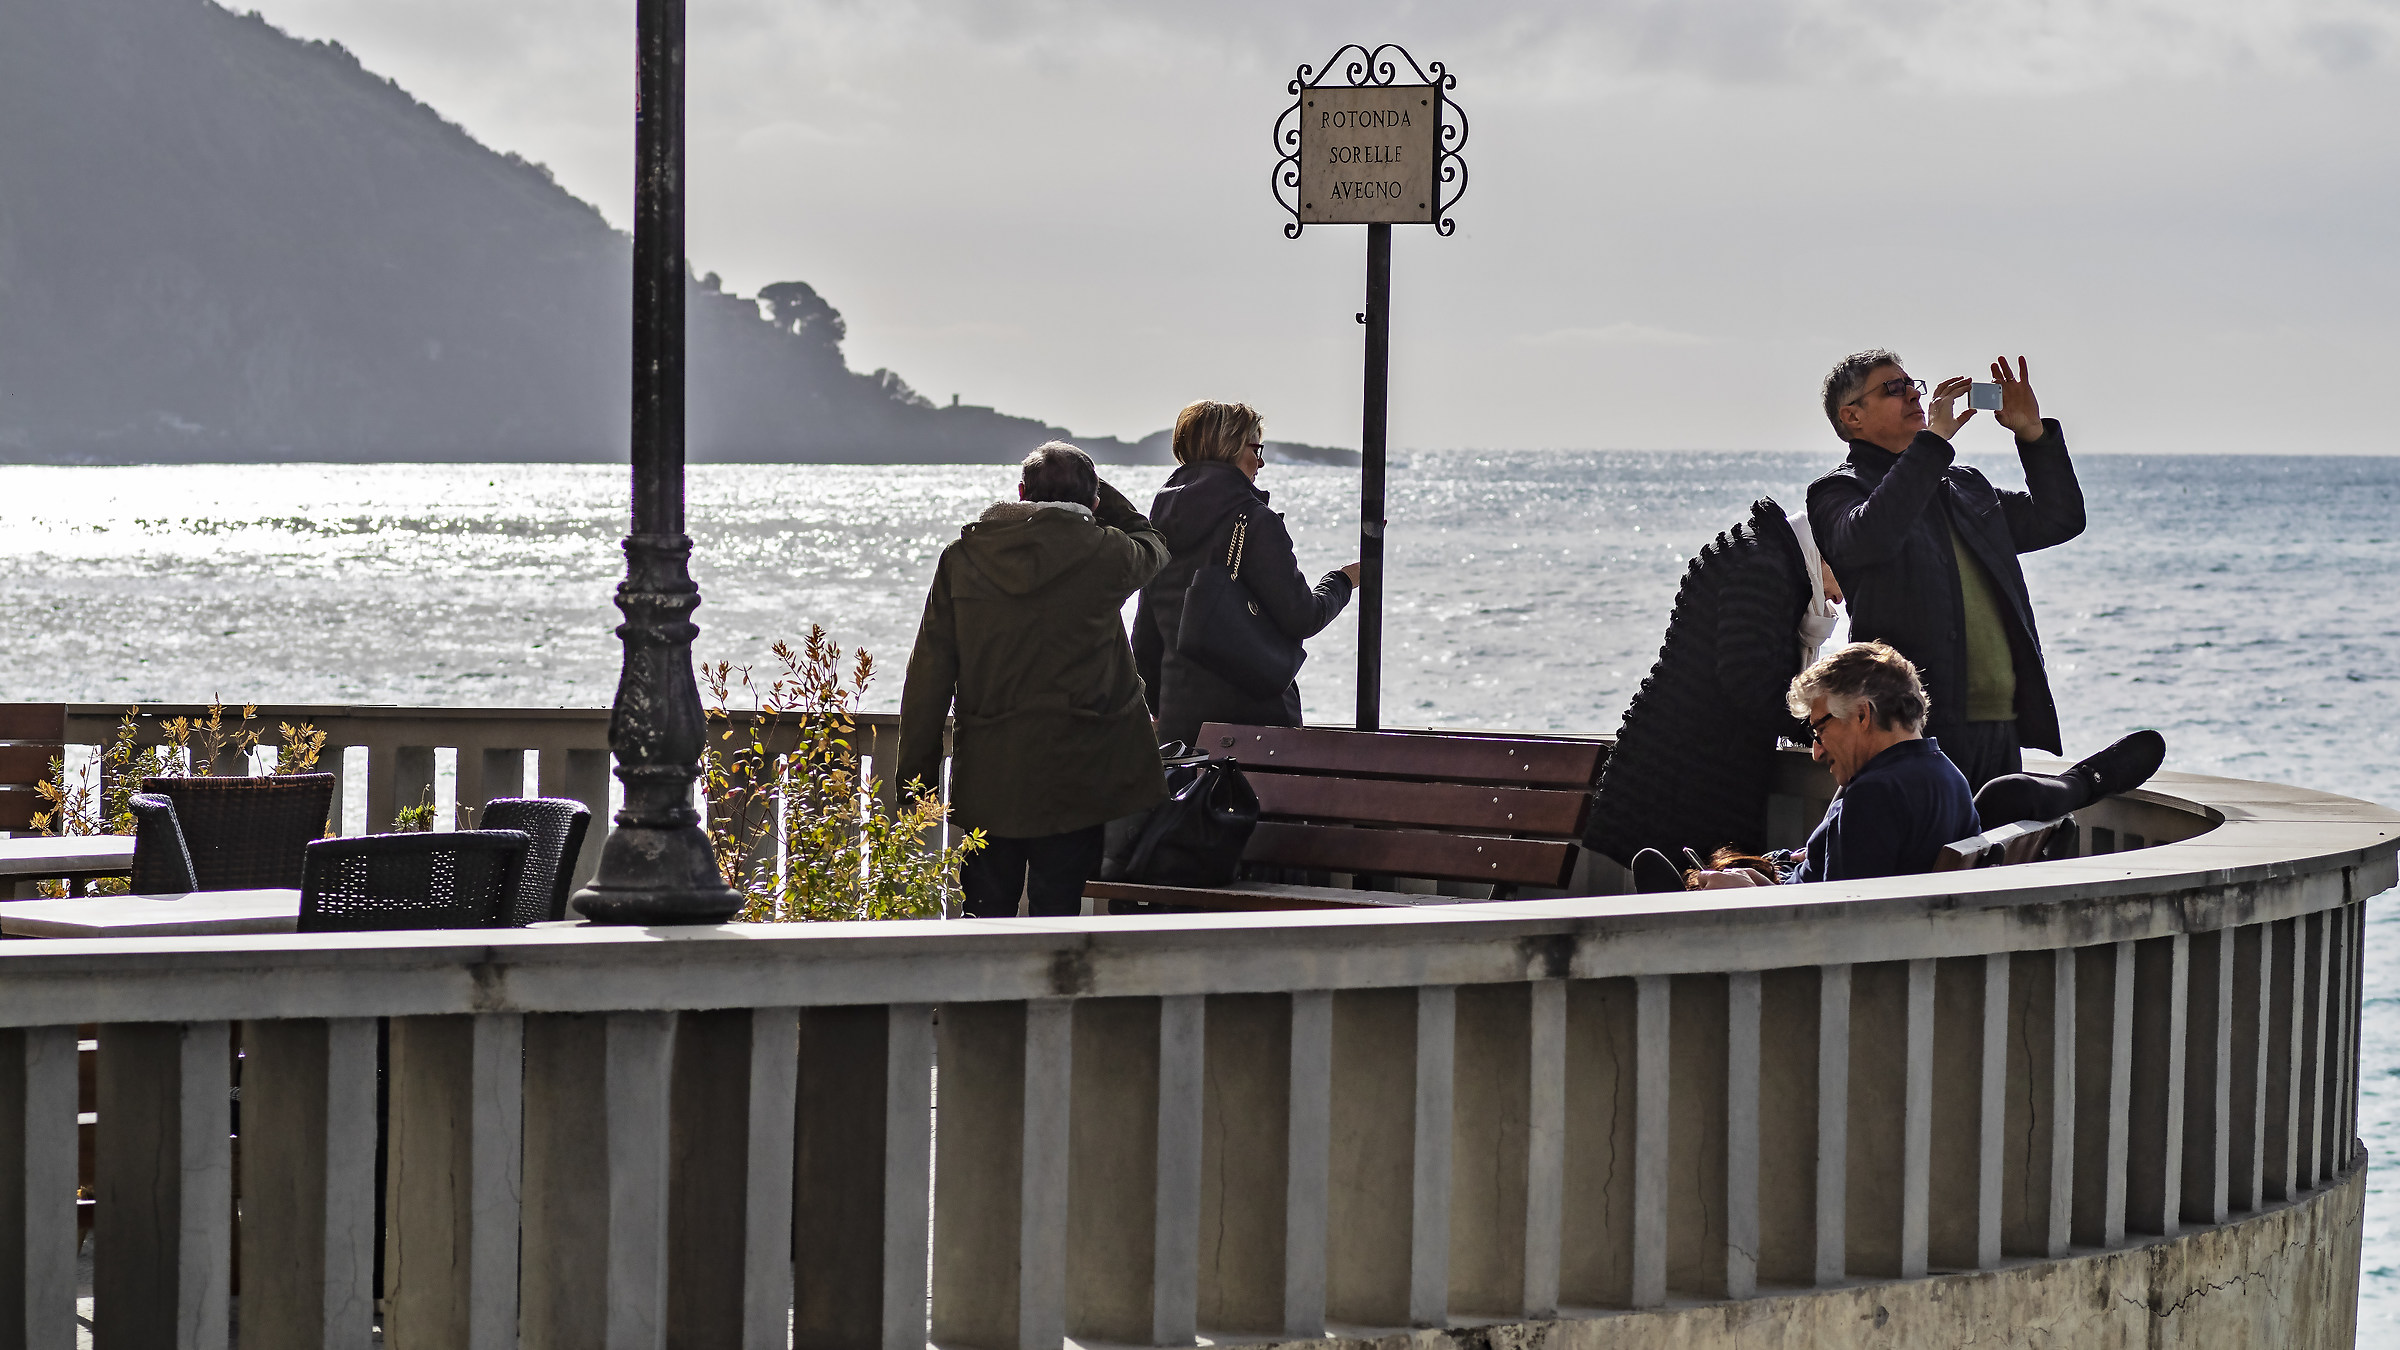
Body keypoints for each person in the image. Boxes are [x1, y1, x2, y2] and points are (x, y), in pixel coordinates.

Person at [897, 442, 1170, 918]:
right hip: (1077, 775)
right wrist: (1101, 496)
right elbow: (1153, 544)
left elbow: (929, 675)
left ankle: (984, 993)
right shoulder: (1107, 553)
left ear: (1021, 493)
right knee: (1057, 911)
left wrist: (915, 783)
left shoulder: (964, 557)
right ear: (1094, 501)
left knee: (984, 911)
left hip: (990, 773)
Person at [1806, 351, 2085, 791]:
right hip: (1909, 730)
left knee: (1996, 857)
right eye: (1892, 389)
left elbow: (2059, 519)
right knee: (1923, 858)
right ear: (1852, 416)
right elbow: (1871, 536)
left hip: (1999, 723)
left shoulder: (1965, 485)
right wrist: (1932, 443)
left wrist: (2033, 434)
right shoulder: (1837, 490)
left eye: (1911, 384)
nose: (1913, 394)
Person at [1584, 498, 1844, 869]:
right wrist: (1826, 729)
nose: (1839, 597)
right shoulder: (1765, 567)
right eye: (1845, 577)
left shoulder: (1760, 550)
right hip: (1687, 779)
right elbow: (1750, 681)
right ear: (1826, 552)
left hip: (1669, 764)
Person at [1632, 642, 1977, 891]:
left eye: (1820, 729)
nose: (1816, 752)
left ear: (1861, 715)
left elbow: (1835, 925)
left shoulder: (1875, 795)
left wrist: (1748, 896)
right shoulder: (1948, 777)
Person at [1132, 400, 1359, 747]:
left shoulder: (1159, 525)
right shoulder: (1254, 521)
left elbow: (1145, 644)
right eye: (1257, 448)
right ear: (1231, 447)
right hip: (1256, 730)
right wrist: (1343, 580)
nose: (1261, 461)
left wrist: (1163, 710)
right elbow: (1303, 618)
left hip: (1183, 730)